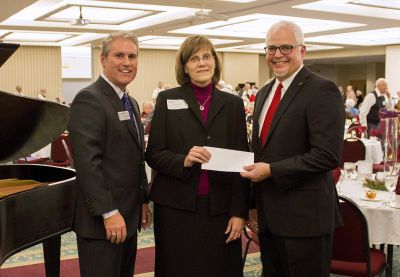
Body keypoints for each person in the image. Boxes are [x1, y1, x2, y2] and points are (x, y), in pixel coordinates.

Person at [241, 20, 344, 277]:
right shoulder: (264, 93)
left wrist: (271, 171)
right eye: (271, 48)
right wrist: (253, 204)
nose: (277, 55)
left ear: (302, 50)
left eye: (286, 47)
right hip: (269, 218)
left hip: (305, 220)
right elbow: (261, 152)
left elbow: (327, 156)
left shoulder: (322, 90)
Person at [145, 34, 250, 277]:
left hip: (221, 209)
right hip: (176, 209)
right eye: (194, 58)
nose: (202, 63)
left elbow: (242, 161)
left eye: (206, 56)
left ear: (214, 61)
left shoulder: (233, 104)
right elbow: (154, 154)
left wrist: (239, 211)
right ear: (184, 66)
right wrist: (183, 159)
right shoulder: (167, 99)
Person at [68, 31, 152, 277]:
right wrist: (109, 212)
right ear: (103, 60)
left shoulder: (132, 102)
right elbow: (87, 163)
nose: (127, 62)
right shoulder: (89, 99)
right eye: (119, 55)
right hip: (103, 222)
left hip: (128, 216)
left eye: (132, 56)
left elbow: (136, 158)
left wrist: (143, 200)